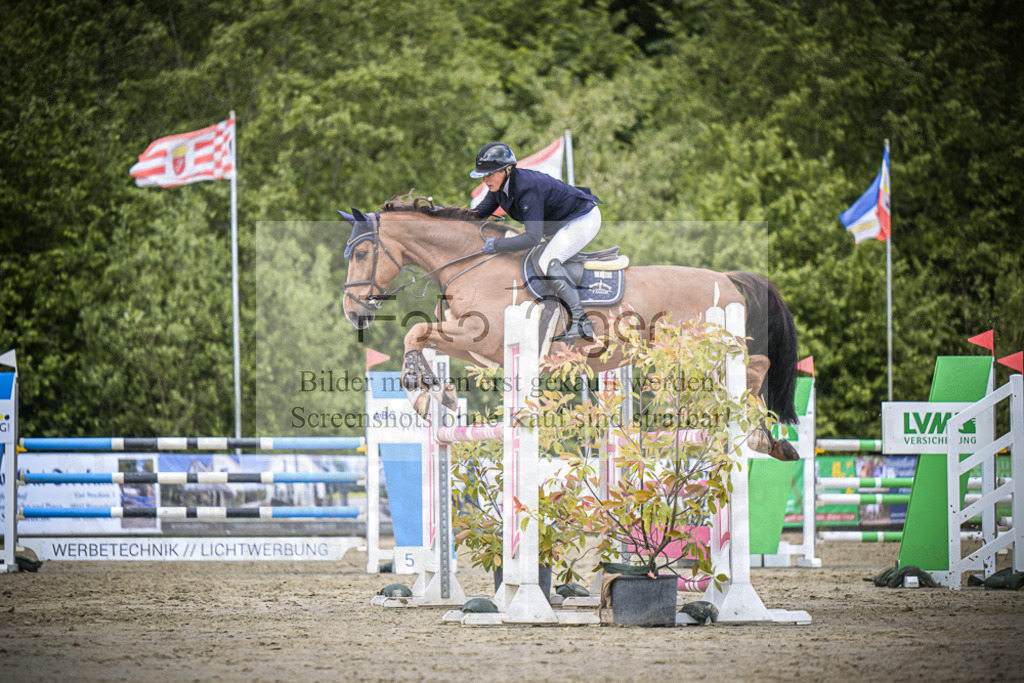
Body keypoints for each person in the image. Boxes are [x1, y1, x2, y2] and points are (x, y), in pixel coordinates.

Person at [470, 142, 602, 342]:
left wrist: (496, 245)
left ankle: (581, 321)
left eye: (491, 174)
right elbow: (476, 215)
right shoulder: (499, 187)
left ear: (507, 170)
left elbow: (532, 238)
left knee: (547, 261)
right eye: (483, 175)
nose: (486, 179)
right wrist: (442, 215)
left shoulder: (527, 188)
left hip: (582, 219)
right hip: (561, 225)